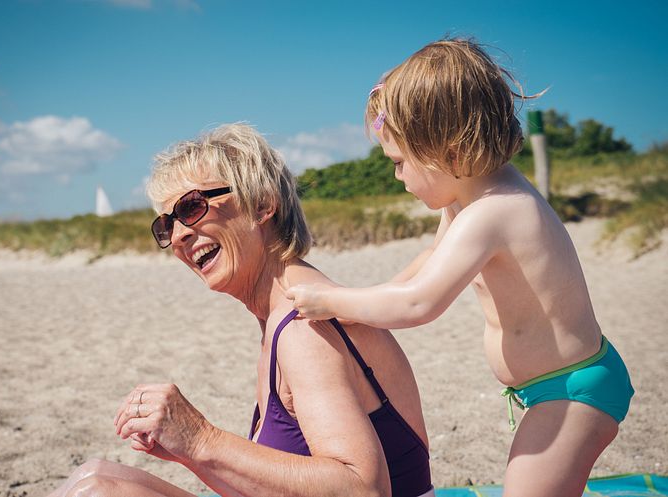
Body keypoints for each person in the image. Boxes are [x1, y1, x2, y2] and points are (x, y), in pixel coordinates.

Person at [286, 38, 634, 497]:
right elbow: (425, 266)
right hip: (552, 388)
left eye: (399, 162)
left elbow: (420, 303)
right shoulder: (467, 201)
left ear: (445, 150)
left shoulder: (495, 212)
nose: (397, 177)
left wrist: (331, 300)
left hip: (572, 392)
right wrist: (366, 300)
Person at [47, 123, 434, 497]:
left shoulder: (304, 327)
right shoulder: (284, 312)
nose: (179, 235)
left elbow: (363, 490)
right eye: (167, 224)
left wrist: (201, 441)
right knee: (97, 477)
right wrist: (192, 454)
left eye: (193, 206)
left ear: (262, 204)